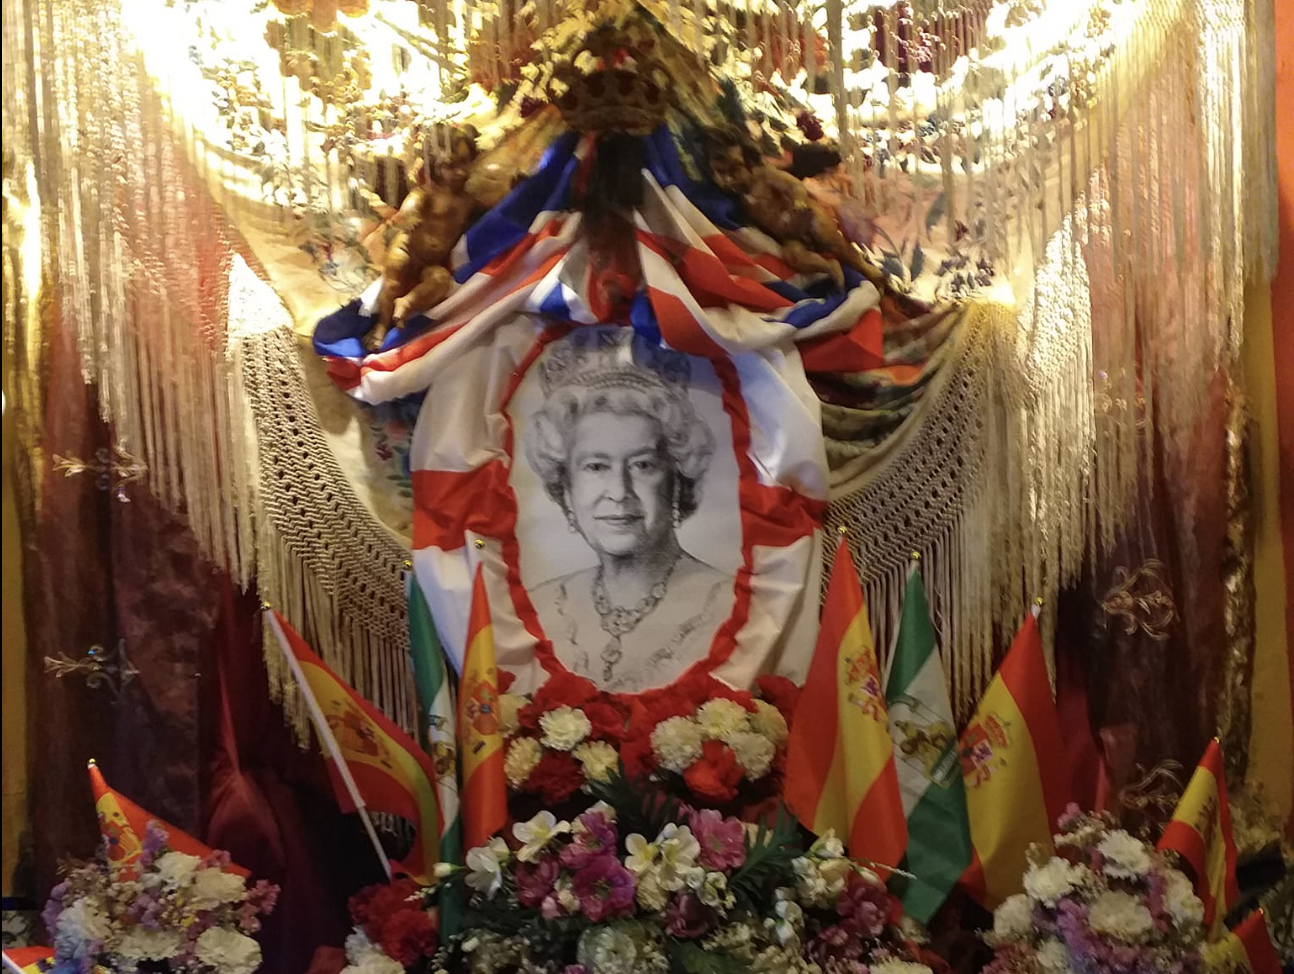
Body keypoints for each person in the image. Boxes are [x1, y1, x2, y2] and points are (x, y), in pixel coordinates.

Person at [522, 331, 734, 692]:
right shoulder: (539, 606)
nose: (619, 492)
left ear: (678, 478)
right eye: (595, 467)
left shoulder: (727, 604)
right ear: (566, 489)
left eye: (642, 465)